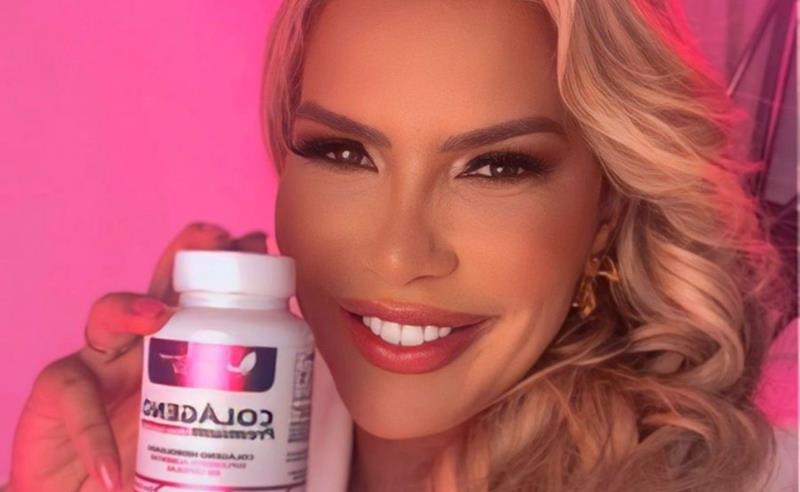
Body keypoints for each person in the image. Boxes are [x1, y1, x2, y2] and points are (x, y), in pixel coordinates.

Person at [4, 0, 796, 490]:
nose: (395, 256)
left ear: (604, 210)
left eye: (496, 166)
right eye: (343, 153)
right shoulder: (198, 450)